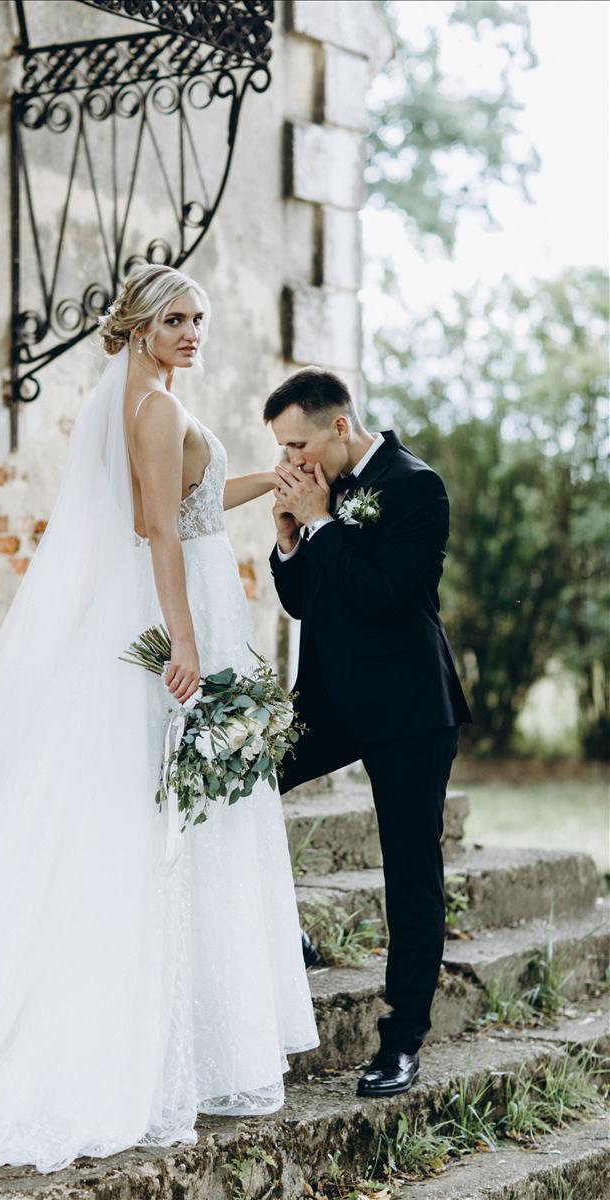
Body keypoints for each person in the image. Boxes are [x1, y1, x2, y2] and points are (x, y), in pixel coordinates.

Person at [0, 266, 318, 1174]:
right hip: (178, 615)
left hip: (185, 600)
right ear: (141, 325)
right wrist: (185, 641)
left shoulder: (142, 399)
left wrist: (265, 483)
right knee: (152, 817)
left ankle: (182, 1031)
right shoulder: (155, 407)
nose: (193, 331)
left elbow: (189, 503)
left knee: (171, 814)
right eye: (176, 318)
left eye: (200, 318)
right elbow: (159, 529)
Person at [265, 367, 472, 1099]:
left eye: (297, 444)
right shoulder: (321, 489)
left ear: (339, 427)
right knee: (242, 785)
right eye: (283, 448)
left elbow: (384, 598)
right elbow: (304, 602)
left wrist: (322, 523)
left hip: (409, 711)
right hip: (328, 703)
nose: (289, 460)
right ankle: (275, 928)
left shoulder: (418, 487)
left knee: (410, 872)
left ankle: (402, 1040)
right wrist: (291, 540)